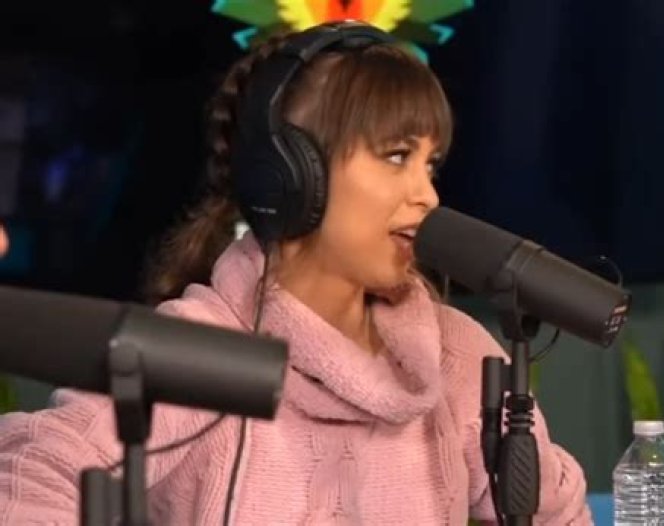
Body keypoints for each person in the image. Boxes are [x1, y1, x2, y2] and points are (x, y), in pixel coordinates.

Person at [0, 22, 592, 525]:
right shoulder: (196, 352)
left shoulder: (456, 356)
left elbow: (560, 514)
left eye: (429, 164)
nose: (428, 195)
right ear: (291, 178)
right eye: (396, 156)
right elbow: (31, 475)